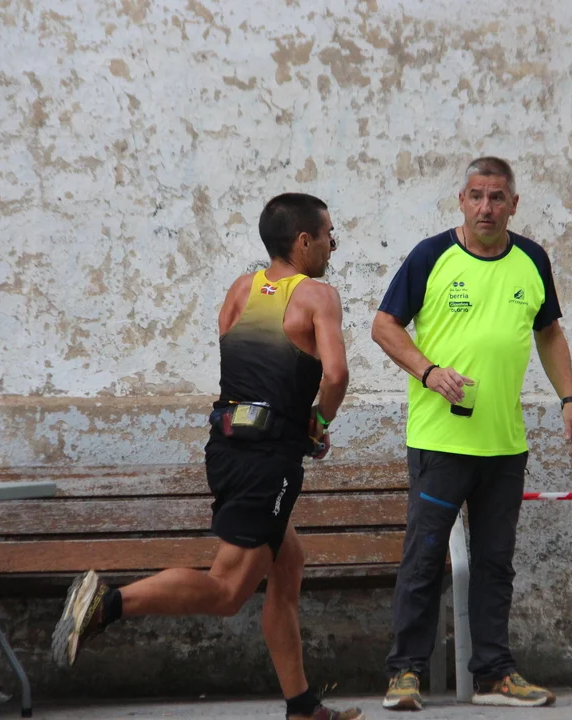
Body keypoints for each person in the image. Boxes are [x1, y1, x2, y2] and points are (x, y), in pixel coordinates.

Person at [51, 193, 364, 720]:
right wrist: (320, 422)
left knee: (288, 563)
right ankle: (107, 604)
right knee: (227, 591)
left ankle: (302, 706)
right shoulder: (318, 296)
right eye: (329, 234)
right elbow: (335, 375)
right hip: (268, 460)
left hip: (227, 447)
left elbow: (242, 366)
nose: (334, 243)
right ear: (303, 241)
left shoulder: (241, 290)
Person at [372, 157, 572, 711]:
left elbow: (549, 332)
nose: (485, 207)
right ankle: (405, 673)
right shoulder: (431, 256)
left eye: (496, 197)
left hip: (504, 446)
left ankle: (494, 675)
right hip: (440, 445)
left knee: (495, 564)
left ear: (514, 204)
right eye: (475, 196)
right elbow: (384, 326)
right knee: (424, 560)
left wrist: (569, 398)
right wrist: (428, 371)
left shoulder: (532, 259)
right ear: (461, 201)